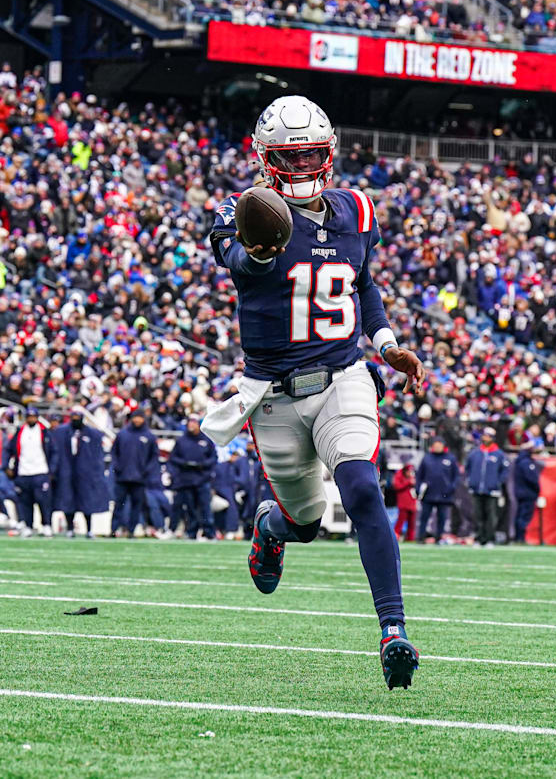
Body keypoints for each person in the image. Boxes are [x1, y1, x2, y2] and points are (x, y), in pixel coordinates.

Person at [205, 95, 426, 690]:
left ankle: (393, 629)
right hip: (273, 393)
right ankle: (273, 527)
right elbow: (238, 265)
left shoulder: (356, 208)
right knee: (305, 522)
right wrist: (257, 250)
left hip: (342, 374)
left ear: (328, 155)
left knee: (361, 485)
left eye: (310, 156)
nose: (301, 168)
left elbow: (365, 284)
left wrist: (385, 344)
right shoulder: (245, 210)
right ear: (266, 159)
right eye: (289, 157)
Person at [52, 407, 109, 538]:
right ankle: (70, 528)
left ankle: (89, 529)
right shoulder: (61, 432)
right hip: (67, 471)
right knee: (68, 502)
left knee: (87, 503)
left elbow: (98, 456)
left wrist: (96, 472)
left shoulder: (93, 434)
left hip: (86, 473)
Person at [2, 407, 57, 537]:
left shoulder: (44, 432)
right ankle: (28, 525)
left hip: (40, 471)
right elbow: (8, 449)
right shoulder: (20, 432)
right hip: (23, 472)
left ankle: (46, 525)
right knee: (25, 501)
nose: (31, 419)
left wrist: (51, 471)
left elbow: (54, 452)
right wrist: (7, 467)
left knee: (44, 501)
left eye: (34, 416)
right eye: (29, 416)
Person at [110, 409, 159, 537]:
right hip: (122, 477)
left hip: (139, 478)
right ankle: (114, 530)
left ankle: (131, 530)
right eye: (135, 417)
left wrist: (146, 471)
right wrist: (118, 467)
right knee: (118, 505)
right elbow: (114, 452)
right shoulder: (123, 434)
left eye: (139, 417)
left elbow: (154, 457)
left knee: (136, 507)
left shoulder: (149, 436)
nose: (137, 420)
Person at [168, 414, 217, 540]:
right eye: (190, 422)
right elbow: (173, 458)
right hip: (186, 480)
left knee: (205, 507)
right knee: (190, 509)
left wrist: (202, 466)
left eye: (194, 422)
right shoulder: (181, 441)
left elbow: (213, 459)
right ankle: (191, 532)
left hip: (202, 479)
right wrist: (185, 464)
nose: (191, 424)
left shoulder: (206, 440)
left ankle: (209, 533)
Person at [465, 427, 510, 547]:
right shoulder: (475, 453)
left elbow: (504, 471)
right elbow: (467, 468)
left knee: (491, 516)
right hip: (477, 489)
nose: (486, 438)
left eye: (489, 436)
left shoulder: (499, 455)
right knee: (478, 515)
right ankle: (479, 538)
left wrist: (497, 483)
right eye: (485, 435)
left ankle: (490, 538)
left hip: (492, 490)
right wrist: (471, 481)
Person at [416, 437, 459, 543]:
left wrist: (451, 488)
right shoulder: (427, 458)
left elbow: (456, 476)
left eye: (439, 445)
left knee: (442, 517)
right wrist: (419, 488)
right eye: (435, 445)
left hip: (444, 494)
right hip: (428, 493)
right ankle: (421, 537)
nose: (437, 447)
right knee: (424, 516)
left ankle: (439, 537)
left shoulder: (450, 458)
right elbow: (419, 475)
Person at [513, 433, 544, 543]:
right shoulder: (526, 462)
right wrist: (538, 488)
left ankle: (518, 537)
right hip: (527, 493)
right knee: (524, 516)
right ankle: (520, 538)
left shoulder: (520, 461)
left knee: (520, 515)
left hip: (521, 492)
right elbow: (532, 479)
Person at [392, 463, 417, 542]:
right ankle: (395, 537)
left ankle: (410, 539)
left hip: (412, 504)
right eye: (409, 471)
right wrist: (408, 482)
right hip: (403, 504)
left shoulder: (412, 478)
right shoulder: (399, 476)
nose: (410, 473)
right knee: (400, 522)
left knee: (412, 524)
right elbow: (397, 486)